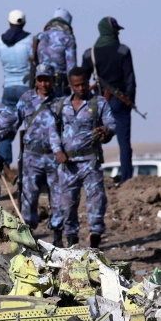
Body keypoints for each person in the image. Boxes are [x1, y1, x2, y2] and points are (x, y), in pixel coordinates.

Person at [56, 67, 115, 249]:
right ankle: (71, 240)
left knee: (96, 203)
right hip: (68, 165)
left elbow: (111, 124)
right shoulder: (61, 106)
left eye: (83, 84)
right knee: (67, 205)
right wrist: (57, 150)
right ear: (70, 85)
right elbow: (52, 130)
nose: (81, 88)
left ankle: (95, 240)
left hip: (90, 161)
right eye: (76, 85)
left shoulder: (99, 102)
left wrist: (104, 131)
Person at [81, 17, 135, 184]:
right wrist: (130, 101)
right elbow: (130, 80)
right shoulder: (123, 51)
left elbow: (82, 80)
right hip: (119, 102)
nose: (118, 32)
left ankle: (89, 177)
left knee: (91, 139)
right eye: (116, 29)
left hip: (97, 103)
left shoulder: (90, 54)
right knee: (124, 143)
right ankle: (126, 179)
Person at [17, 63, 64, 244]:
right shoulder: (26, 99)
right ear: (35, 80)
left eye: (47, 80)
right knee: (29, 196)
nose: (44, 84)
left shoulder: (61, 100)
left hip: (55, 156)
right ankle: (28, 235)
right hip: (32, 156)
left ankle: (58, 235)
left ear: (53, 80)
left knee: (58, 196)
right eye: (40, 80)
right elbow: (13, 123)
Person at [0, 9, 34, 166]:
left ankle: (4, 165)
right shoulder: (31, 40)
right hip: (26, 87)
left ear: (8, 22)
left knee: (7, 127)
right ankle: (31, 164)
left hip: (8, 87)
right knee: (32, 128)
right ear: (23, 23)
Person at [32, 8, 76, 96]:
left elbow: (33, 61)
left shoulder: (39, 36)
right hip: (60, 83)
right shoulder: (68, 38)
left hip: (41, 82)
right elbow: (71, 67)